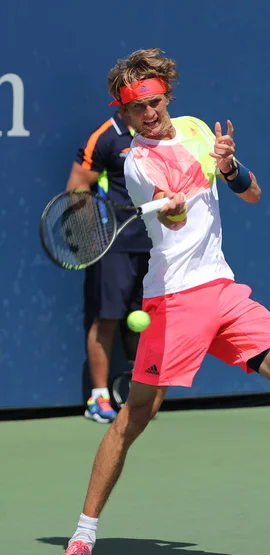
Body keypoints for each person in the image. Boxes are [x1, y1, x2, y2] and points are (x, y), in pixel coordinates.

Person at [55, 48, 270, 555]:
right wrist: (173, 207)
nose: (150, 114)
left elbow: (251, 194)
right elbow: (174, 223)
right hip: (174, 300)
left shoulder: (199, 130)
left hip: (223, 291)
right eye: (139, 109)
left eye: (156, 102)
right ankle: (82, 538)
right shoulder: (136, 163)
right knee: (135, 419)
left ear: (166, 97)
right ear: (125, 113)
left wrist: (229, 165)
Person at [66, 109, 151, 423]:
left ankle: (134, 393)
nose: (147, 108)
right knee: (107, 319)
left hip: (154, 242)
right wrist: (92, 235)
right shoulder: (105, 136)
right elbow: (78, 186)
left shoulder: (159, 134)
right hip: (113, 243)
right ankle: (98, 398)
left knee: (145, 320)